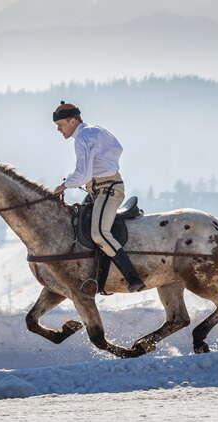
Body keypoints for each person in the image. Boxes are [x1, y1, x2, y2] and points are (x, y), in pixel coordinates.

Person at [51, 101, 145, 292]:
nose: (59, 130)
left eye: (60, 125)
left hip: (107, 190)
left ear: (73, 120)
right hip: (100, 189)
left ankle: (133, 277)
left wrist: (64, 185)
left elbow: (83, 174)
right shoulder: (95, 131)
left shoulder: (82, 138)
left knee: (99, 233)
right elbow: (118, 149)